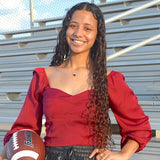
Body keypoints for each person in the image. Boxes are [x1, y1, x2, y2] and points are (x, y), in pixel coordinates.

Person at [0, 2, 152, 160]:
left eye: (87, 28)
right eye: (73, 25)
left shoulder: (110, 80)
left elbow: (139, 126)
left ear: (97, 35)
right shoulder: (43, 76)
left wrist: (123, 155)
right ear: (66, 29)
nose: (78, 33)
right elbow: (24, 129)